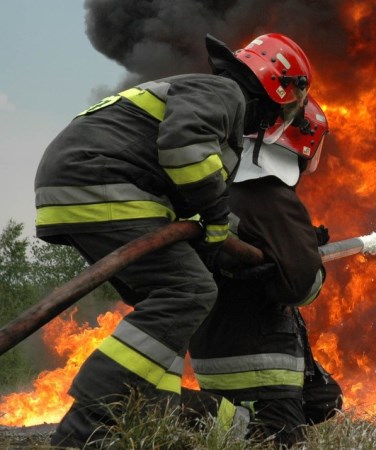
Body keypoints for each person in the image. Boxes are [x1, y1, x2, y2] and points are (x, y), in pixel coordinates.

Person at [35, 32, 314, 448]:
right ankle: (88, 422)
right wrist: (217, 220)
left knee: (165, 309)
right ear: (277, 86)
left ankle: (145, 411)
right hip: (102, 180)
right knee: (190, 291)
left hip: (79, 185)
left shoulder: (206, 95)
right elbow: (184, 150)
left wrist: (227, 243)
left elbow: (185, 192)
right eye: (289, 106)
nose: (280, 118)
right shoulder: (225, 94)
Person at [188, 95, 343, 448]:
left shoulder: (220, 188)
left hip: (214, 348)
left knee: (324, 398)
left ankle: (231, 422)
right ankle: (194, 415)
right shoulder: (270, 194)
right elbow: (303, 286)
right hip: (259, 359)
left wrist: (296, 244)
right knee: (276, 440)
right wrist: (306, 257)